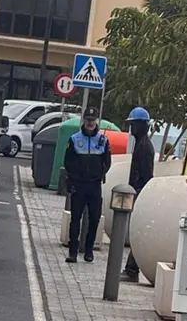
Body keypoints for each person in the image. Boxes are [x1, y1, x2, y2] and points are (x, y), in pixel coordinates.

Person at [63, 107, 111, 263]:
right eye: (88, 119)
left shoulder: (103, 140)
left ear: (96, 121)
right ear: (83, 120)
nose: (90, 123)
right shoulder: (74, 139)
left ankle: (89, 250)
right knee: (75, 218)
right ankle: (73, 252)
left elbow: (107, 161)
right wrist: (73, 178)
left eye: (93, 120)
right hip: (79, 185)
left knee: (94, 218)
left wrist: (99, 174)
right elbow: (68, 161)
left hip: (94, 185)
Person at [120, 107, 155, 283]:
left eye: (133, 125)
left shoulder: (145, 147)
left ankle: (132, 269)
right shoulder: (141, 144)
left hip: (140, 192)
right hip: (136, 190)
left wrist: (140, 194)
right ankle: (131, 268)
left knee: (136, 232)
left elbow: (146, 174)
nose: (131, 128)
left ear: (142, 125)